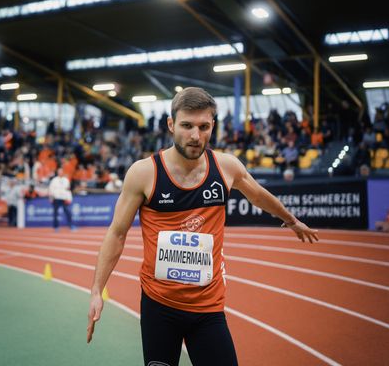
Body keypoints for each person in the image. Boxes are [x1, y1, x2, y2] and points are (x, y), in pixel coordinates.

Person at [86, 87, 319, 366]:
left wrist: (291, 220)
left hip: (208, 308)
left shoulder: (226, 168)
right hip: (159, 306)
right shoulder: (144, 173)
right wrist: (97, 290)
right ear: (171, 125)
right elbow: (117, 233)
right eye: (186, 126)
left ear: (213, 126)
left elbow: (258, 195)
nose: (195, 136)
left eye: (203, 126)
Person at [48, 167, 76, 232]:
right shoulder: (54, 180)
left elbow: (68, 190)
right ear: (57, 172)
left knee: (68, 212)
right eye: (59, 171)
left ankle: (71, 225)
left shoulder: (66, 180)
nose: (60, 173)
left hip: (64, 199)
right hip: (56, 198)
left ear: (63, 172)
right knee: (56, 213)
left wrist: (69, 198)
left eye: (61, 171)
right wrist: (51, 197)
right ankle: (56, 227)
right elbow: (51, 189)